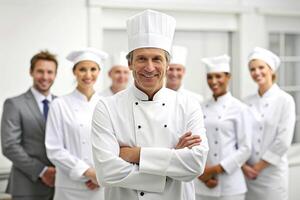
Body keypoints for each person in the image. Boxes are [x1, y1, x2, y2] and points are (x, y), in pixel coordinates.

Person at [91, 9, 209, 200]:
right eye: (141, 59)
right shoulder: (107, 107)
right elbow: (106, 172)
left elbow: (196, 165)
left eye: (157, 59)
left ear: (167, 64)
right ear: (129, 63)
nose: (149, 67)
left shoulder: (188, 105)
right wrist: (173, 160)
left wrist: (134, 155)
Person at [45, 47, 107, 200]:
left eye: (93, 69)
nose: (88, 75)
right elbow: (54, 149)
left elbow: (114, 146)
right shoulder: (59, 104)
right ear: (74, 72)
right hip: (68, 187)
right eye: (82, 69)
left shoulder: (106, 104)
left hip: (100, 186)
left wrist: (101, 174)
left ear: (99, 72)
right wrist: (88, 172)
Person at [1, 50, 58, 200]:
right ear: (31, 72)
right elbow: (10, 146)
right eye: (40, 71)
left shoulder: (62, 104)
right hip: (27, 186)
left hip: (61, 186)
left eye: (50, 72)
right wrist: (42, 171)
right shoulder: (14, 104)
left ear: (55, 74)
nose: (45, 77)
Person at [194, 55, 251, 200]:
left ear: (228, 77)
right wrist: (203, 175)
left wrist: (214, 170)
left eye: (218, 76)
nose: (213, 82)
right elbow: (195, 142)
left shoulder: (240, 108)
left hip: (230, 185)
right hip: (202, 183)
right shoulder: (200, 107)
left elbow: (245, 149)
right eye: (209, 77)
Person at [242, 47, 296, 200]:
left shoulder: (285, 100)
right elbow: (241, 135)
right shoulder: (247, 102)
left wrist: (257, 168)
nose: (256, 72)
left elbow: (283, 141)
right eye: (252, 69)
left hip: (272, 174)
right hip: (248, 174)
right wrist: (245, 167)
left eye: (261, 67)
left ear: (271, 70)